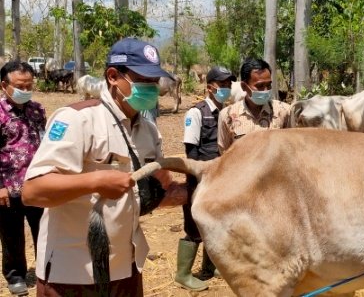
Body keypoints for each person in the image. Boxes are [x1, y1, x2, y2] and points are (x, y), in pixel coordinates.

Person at [21, 37, 183, 296]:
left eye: (154, 82)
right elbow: (32, 191)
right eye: (143, 80)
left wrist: (179, 194)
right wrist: (95, 182)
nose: (152, 88)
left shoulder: (148, 130)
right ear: (112, 76)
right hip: (73, 273)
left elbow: (141, 196)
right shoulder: (77, 120)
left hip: (125, 268)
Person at [177, 66, 236, 291]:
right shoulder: (196, 112)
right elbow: (190, 151)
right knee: (193, 226)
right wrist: (199, 179)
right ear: (210, 86)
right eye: (222, 85)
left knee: (215, 224)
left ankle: (210, 267)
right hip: (200, 178)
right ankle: (182, 274)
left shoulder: (228, 112)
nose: (226, 89)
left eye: (229, 85)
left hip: (221, 178)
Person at [0, 61, 46, 296]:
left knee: (44, 230)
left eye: (29, 85)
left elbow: (46, 141)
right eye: (20, 85)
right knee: (11, 233)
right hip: (8, 187)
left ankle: (45, 272)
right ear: (4, 86)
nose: (26, 90)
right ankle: (15, 275)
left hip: (37, 184)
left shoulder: (37, 109)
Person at [217, 58, 291, 153]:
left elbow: (291, 148)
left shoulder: (284, 111)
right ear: (244, 86)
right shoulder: (227, 116)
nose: (266, 90)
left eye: (268, 85)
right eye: (260, 86)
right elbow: (224, 154)